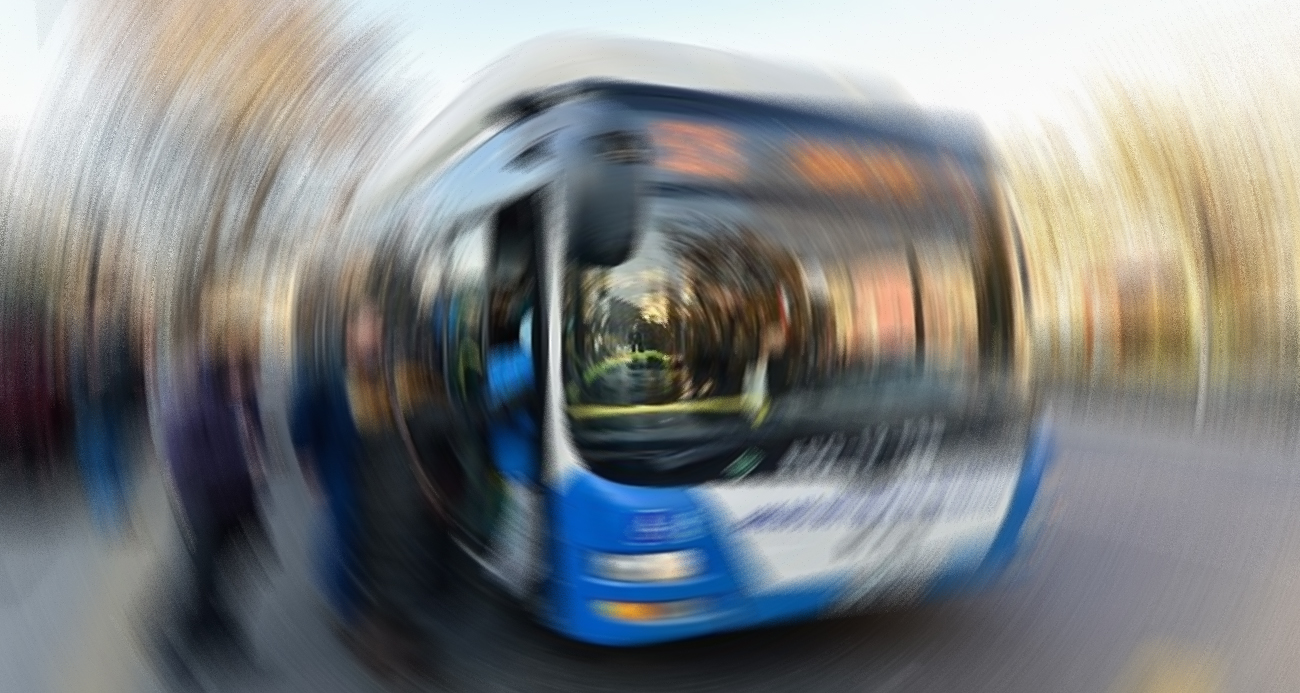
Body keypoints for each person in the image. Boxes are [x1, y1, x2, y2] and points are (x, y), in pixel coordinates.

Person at [155, 332, 267, 684]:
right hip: (202, 507)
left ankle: (210, 627)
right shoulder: (197, 406)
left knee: (219, 580)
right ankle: (169, 644)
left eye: (250, 375)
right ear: (223, 374)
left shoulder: (244, 404)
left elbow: (253, 452)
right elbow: (178, 459)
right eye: (242, 377)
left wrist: (256, 468)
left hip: (232, 508)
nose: (250, 384)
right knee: (200, 586)